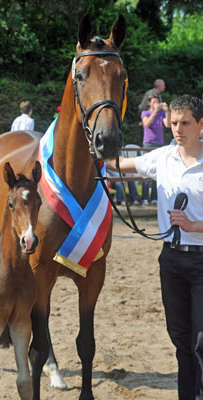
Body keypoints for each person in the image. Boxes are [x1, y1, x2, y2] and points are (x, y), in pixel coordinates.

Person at [108, 94, 203, 399]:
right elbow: (119, 165)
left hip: (202, 261)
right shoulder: (161, 157)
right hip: (171, 261)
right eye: (174, 122)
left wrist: (193, 226)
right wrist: (96, 146)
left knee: (201, 341)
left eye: (185, 123)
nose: (178, 129)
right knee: (180, 339)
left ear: (201, 125)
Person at [141, 94, 170, 205]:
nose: (155, 104)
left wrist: (167, 111)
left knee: (157, 172)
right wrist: (154, 112)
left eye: (157, 102)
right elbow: (146, 123)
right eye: (153, 102)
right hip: (148, 144)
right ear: (149, 103)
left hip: (159, 145)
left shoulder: (162, 114)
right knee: (145, 171)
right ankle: (144, 198)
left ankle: (154, 198)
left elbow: (167, 124)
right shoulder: (145, 113)